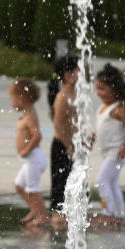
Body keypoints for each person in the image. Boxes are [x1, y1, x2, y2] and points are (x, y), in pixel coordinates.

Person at [93, 64, 125, 229]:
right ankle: (120, 215)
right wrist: (92, 136)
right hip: (108, 153)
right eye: (97, 89)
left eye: (103, 89)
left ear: (114, 89)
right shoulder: (103, 107)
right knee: (112, 184)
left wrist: (123, 148)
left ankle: (108, 214)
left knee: (102, 181)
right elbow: (100, 126)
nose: (99, 93)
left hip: (116, 153)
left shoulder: (120, 109)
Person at [9, 78, 48, 226]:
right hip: (30, 160)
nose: (11, 102)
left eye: (12, 98)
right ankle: (35, 209)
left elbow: (37, 135)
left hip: (33, 159)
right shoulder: (27, 113)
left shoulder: (30, 116)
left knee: (32, 189)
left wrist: (26, 149)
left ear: (21, 97)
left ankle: (42, 217)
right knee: (19, 186)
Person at [48, 56, 80, 230]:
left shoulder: (75, 94)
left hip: (73, 145)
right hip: (62, 145)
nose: (80, 73)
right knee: (61, 182)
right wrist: (68, 146)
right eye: (77, 70)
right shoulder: (62, 97)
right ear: (67, 75)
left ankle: (70, 213)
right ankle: (58, 216)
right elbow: (58, 126)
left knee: (73, 181)